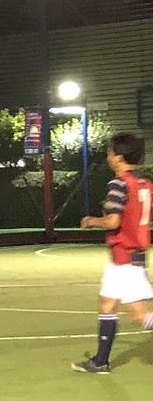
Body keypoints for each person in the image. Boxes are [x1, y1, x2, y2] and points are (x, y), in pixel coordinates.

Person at [73, 132, 153, 374]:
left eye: (110, 152)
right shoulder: (146, 184)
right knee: (107, 304)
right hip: (127, 256)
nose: (108, 156)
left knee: (140, 316)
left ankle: (101, 362)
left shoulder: (119, 184)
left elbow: (113, 221)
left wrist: (91, 221)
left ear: (119, 156)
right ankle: (101, 362)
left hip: (126, 257)